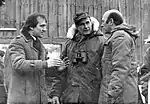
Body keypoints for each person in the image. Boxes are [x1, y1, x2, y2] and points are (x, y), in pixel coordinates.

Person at [3, 13, 68, 104]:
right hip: (21, 99)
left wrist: (57, 69)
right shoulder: (18, 43)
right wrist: (46, 63)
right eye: (42, 26)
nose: (45, 30)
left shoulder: (39, 45)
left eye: (45, 26)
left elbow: (40, 71)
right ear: (31, 27)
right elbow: (18, 64)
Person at [50, 12, 105, 104]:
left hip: (93, 96)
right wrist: (55, 94)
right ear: (76, 26)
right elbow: (61, 71)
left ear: (91, 23)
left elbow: (108, 72)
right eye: (82, 24)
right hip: (71, 96)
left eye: (87, 23)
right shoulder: (70, 44)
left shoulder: (102, 42)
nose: (86, 26)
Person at [98, 9, 140, 104]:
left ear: (111, 21)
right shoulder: (117, 36)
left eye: (104, 21)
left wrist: (112, 94)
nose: (101, 25)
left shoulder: (120, 37)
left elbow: (120, 68)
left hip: (119, 98)